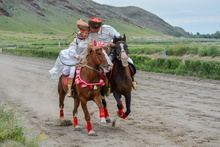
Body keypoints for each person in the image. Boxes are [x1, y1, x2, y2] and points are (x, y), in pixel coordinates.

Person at [87, 17, 138, 90]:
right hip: (97, 52)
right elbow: (82, 36)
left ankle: (132, 80)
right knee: (101, 67)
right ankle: (106, 84)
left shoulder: (109, 29)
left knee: (130, 62)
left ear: (100, 27)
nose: (92, 30)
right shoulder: (88, 30)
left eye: (94, 29)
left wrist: (112, 43)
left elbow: (119, 38)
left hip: (109, 51)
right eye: (91, 28)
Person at [49, 19, 90, 97]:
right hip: (75, 59)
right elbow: (71, 50)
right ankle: (70, 89)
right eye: (85, 33)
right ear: (81, 33)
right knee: (71, 71)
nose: (87, 35)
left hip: (85, 59)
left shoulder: (89, 40)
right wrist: (77, 57)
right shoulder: (76, 40)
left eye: (88, 33)